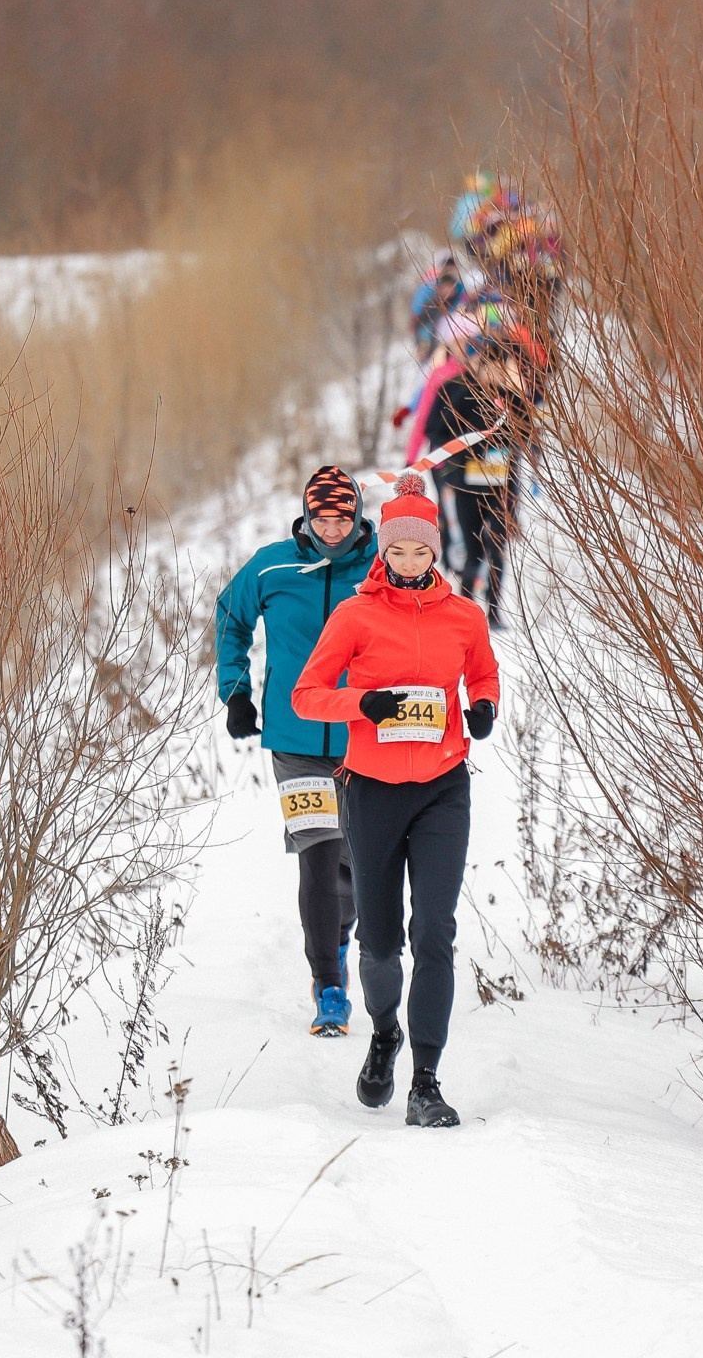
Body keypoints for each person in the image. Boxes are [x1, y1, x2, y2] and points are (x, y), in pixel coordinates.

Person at [292, 475, 500, 1129]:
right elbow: (307, 695)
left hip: (443, 786)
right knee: (381, 942)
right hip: (373, 790)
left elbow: (484, 669)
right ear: (383, 552)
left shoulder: (464, 614)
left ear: (436, 552)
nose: (410, 563)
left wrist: (485, 706)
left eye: (421, 552)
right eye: (399, 552)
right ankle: (385, 1036)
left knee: (433, 931)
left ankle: (427, 1084)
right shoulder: (354, 615)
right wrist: (364, 705)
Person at [216, 466, 380, 1036]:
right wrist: (236, 693)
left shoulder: (383, 565)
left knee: (357, 860)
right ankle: (328, 985)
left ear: (358, 515)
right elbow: (230, 618)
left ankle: (340, 940)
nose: (331, 531)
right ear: (304, 517)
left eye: (342, 519)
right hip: (295, 738)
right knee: (319, 851)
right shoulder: (273, 564)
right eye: (320, 519)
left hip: (367, 736)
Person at [424, 336, 531, 629]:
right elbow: (434, 431)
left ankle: (494, 613)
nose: (498, 373)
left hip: (502, 485)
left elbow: (528, 435)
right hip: (466, 484)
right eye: (492, 366)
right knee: (473, 548)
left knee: (497, 544)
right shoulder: (454, 391)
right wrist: (448, 469)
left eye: (504, 367)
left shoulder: (511, 397)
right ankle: (466, 609)